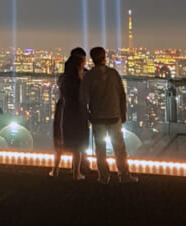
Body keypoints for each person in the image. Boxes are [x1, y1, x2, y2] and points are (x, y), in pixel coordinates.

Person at [80, 46, 138, 184]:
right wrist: (123, 112)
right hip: (114, 115)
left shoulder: (89, 76)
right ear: (104, 58)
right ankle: (123, 174)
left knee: (100, 148)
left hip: (97, 117)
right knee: (119, 147)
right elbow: (121, 94)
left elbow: (83, 99)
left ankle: (103, 176)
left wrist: (87, 115)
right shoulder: (113, 74)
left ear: (92, 59)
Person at [50, 50, 89, 180]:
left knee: (60, 138)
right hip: (77, 110)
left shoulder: (64, 77)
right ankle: (76, 172)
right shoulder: (82, 78)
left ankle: (55, 170)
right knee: (77, 141)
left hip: (63, 109)